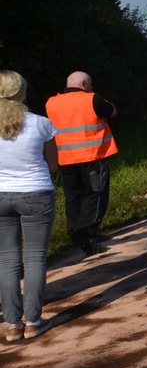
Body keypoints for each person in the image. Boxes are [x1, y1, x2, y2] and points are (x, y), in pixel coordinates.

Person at [0, 71, 58, 340]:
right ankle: (33, 321)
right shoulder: (41, 123)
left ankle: (12, 325)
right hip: (36, 193)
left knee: (6, 260)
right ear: (22, 91)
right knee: (34, 258)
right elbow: (54, 164)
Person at [45, 71, 117, 256]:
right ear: (84, 84)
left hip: (66, 157)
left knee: (73, 195)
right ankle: (88, 232)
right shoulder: (93, 99)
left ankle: (75, 232)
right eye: (90, 85)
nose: (91, 88)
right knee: (96, 194)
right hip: (93, 155)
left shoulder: (51, 102)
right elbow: (112, 111)